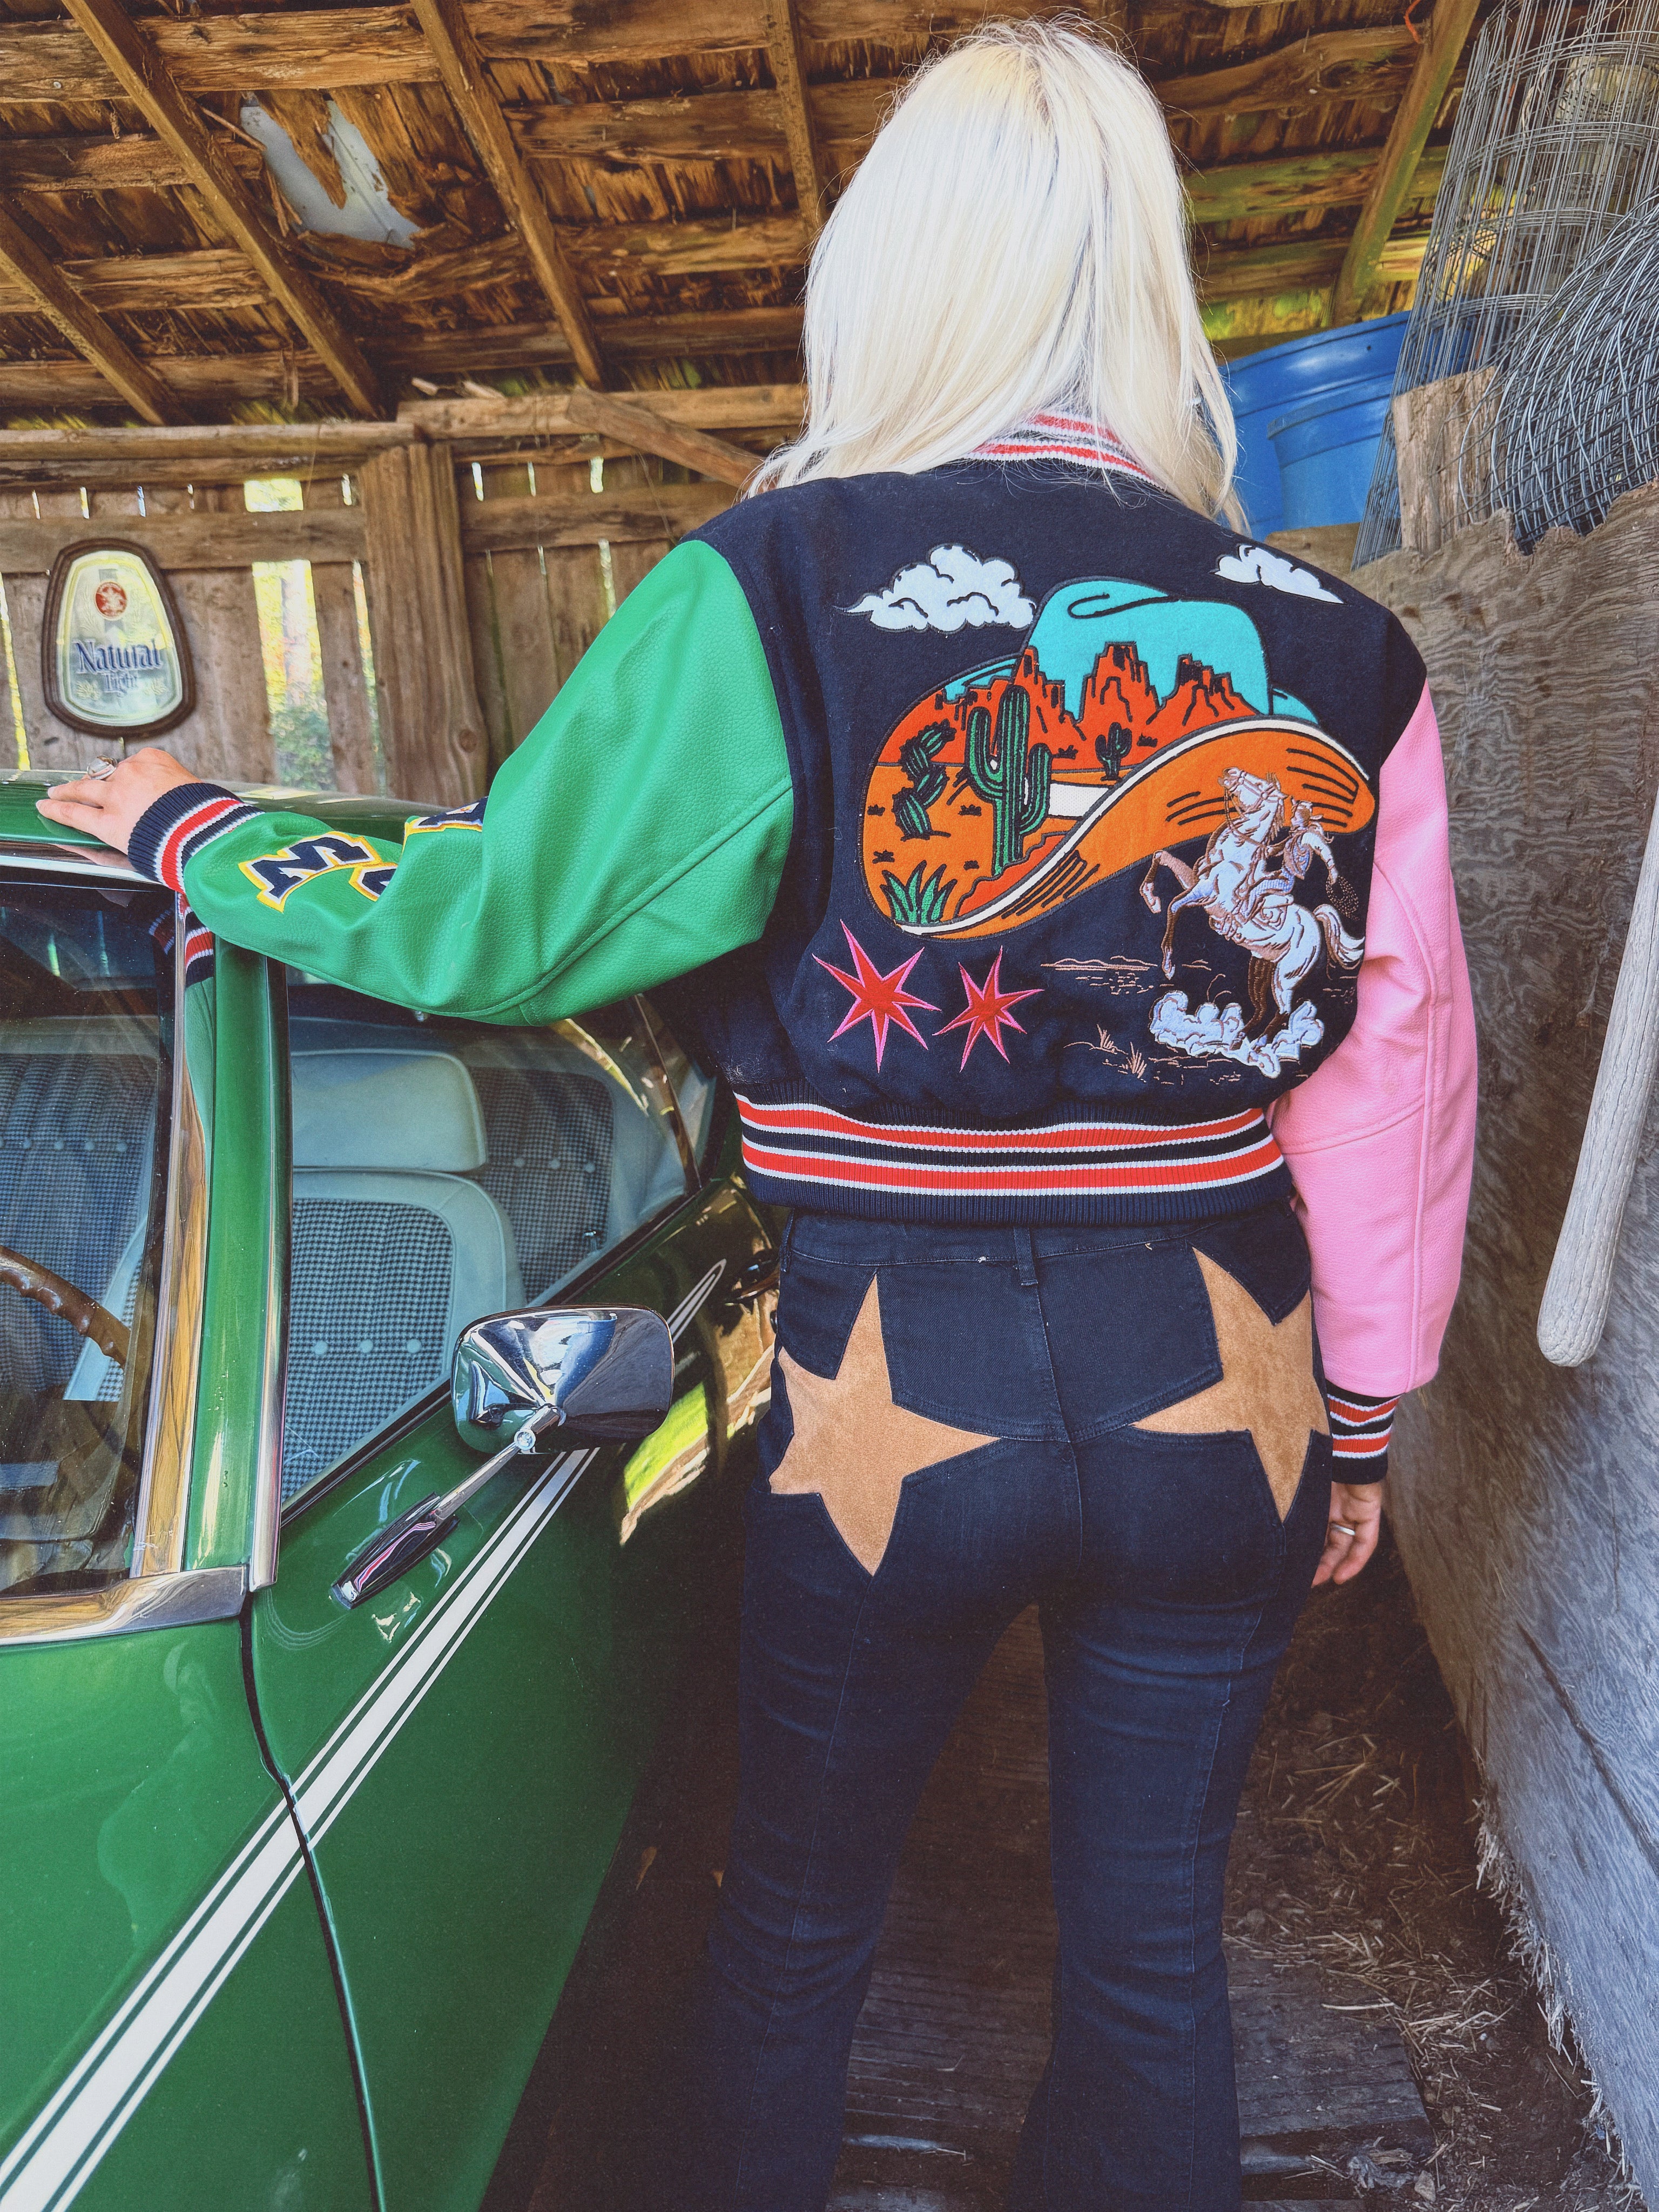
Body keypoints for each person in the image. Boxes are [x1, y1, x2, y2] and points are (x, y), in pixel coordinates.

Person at [39, 21, 1477, 2209]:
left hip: (895, 1370)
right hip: (1233, 1367)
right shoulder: (1346, 646)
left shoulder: (770, 582)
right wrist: (1364, 1412)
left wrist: (200, 830)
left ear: (891, 270)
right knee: (1157, 1964)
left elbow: (505, 924)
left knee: (794, 1933)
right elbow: (1400, 1061)